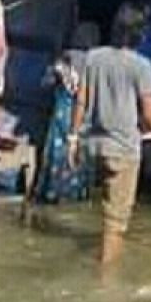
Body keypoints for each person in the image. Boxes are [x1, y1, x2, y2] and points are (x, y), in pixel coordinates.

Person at [69, 2, 151, 265]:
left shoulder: (93, 57)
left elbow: (80, 101)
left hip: (94, 146)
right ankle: (107, 286)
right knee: (116, 223)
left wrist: (73, 139)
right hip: (123, 149)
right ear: (140, 33)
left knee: (107, 211)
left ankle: (103, 263)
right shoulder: (141, 65)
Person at [36, 22, 97, 203]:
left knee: (58, 152)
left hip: (62, 113)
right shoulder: (94, 62)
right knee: (80, 154)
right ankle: (77, 194)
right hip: (83, 116)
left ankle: (53, 192)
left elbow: (45, 83)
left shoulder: (64, 59)